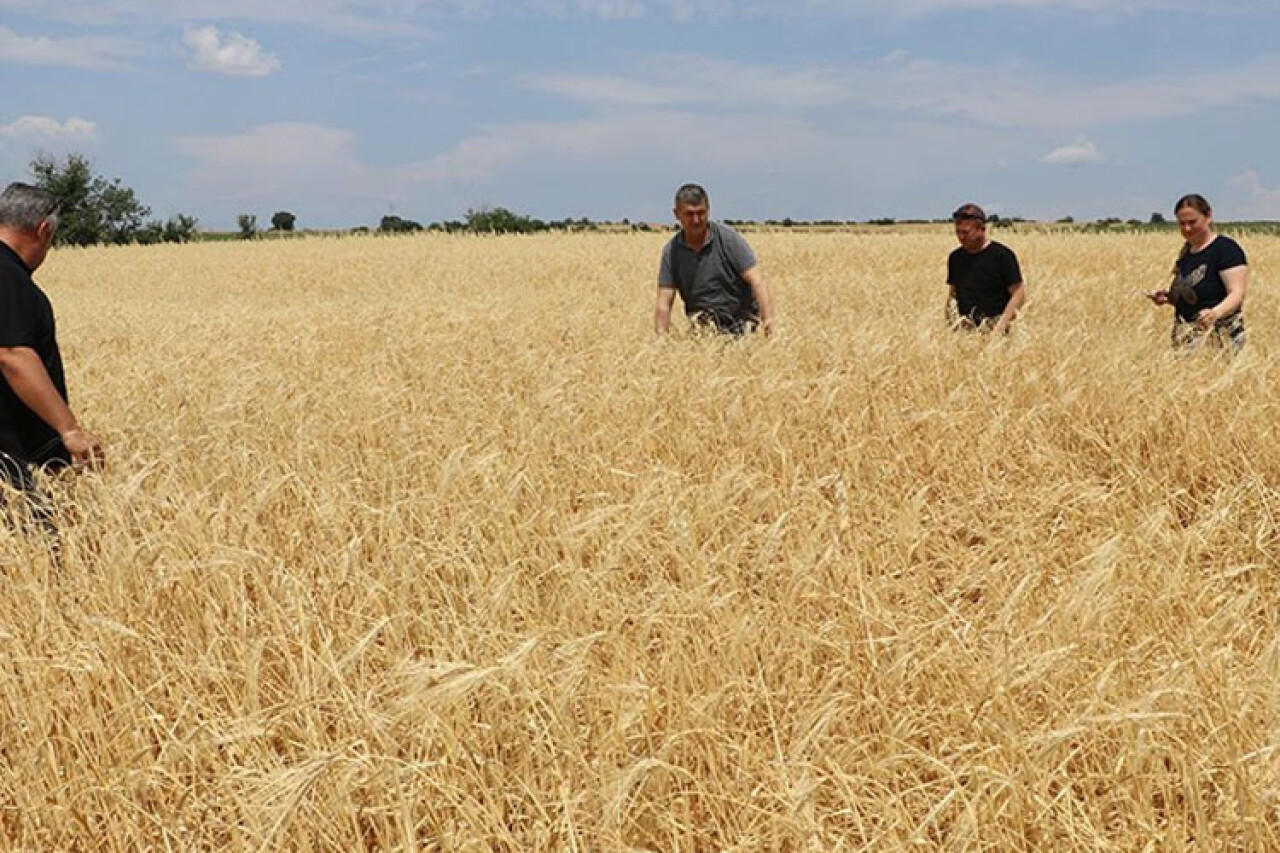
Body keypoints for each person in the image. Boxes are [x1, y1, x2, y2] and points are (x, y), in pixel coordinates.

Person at [0, 182, 103, 525]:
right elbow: (13, 354)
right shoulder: (8, 277)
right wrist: (69, 430)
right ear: (43, 230)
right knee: (40, 552)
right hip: (11, 455)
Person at [655, 184, 776, 336]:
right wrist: (661, 344)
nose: (696, 220)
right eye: (689, 214)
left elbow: (757, 281)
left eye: (701, 213)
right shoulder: (672, 251)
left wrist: (769, 330)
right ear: (676, 214)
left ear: (709, 210)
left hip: (741, 328)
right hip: (702, 331)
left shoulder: (728, 239)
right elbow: (664, 303)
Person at [1145, 194, 1247, 351]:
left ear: (1208, 216)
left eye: (1192, 222)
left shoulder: (1225, 249)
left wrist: (1215, 313)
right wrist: (1168, 297)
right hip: (1186, 337)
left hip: (1221, 338)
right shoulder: (1186, 253)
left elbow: (1237, 293)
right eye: (1182, 223)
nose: (1187, 228)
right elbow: (1193, 295)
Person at [945, 203, 1026, 334]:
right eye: (958, 232)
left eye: (966, 232)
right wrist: (951, 323)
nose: (961, 237)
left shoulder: (1002, 255)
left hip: (995, 328)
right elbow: (953, 293)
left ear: (982, 229)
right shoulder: (955, 257)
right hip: (965, 330)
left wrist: (1000, 327)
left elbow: (1018, 293)